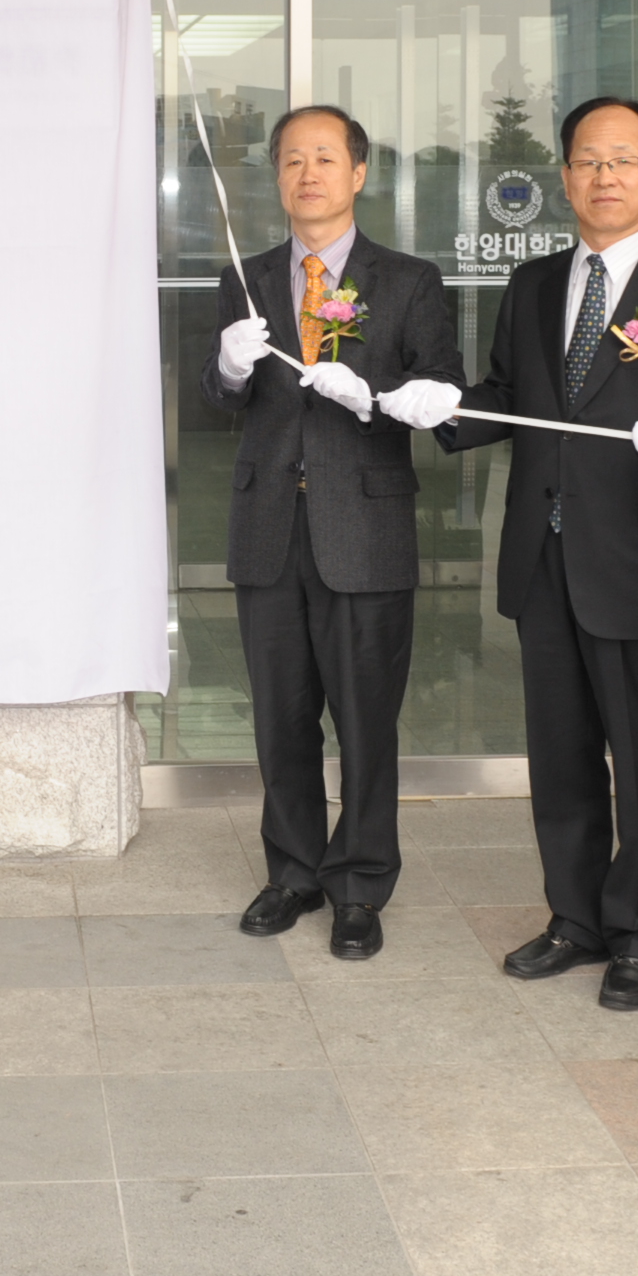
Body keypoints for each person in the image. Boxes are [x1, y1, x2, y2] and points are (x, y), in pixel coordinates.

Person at [440, 96, 638, 1010]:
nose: (604, 176)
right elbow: (509, 392)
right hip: (543, 558)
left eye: (623, 159)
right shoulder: (535, 282)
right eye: (586, 160)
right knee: (561, 755)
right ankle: (575, 918)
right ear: (565, 177)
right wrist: (442, 410)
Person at [203, 106, 465, 960]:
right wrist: (228, 368)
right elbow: (220, 398)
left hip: (365, 526)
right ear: (276, 177)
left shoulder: (410, 280)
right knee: (281, 718)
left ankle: (359, 884)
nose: (307, 173)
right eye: (291, 160)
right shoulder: (244, 279)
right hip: (268, 528)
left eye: (324, 158)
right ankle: (293, 873)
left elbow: (444, 389)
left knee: (364, 721)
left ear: (358, 173)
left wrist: (375, 398)